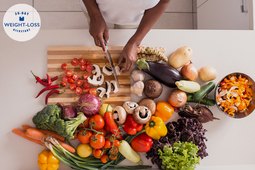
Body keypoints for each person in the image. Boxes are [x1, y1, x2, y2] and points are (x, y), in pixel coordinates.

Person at [82, 0, 170, 71]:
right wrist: (94, 16)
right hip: (95, 8)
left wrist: (134, 42)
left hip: (132, 18)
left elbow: (164, 1)